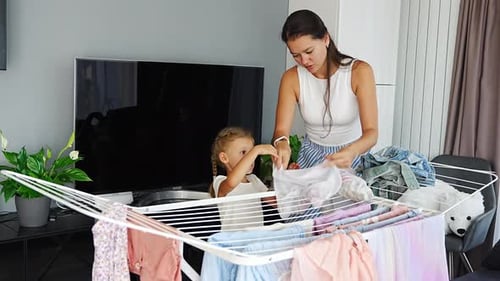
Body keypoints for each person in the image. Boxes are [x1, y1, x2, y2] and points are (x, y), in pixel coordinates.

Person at [273, 9, 378, 170]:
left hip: (352, 155)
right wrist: (282, 143)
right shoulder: (291, 78)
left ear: (325, 39)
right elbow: (281, 130)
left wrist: (351, 151)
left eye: (309, 52)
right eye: (296, 55)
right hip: (311, 156)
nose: (304, 61)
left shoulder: (359, 72)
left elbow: (371, 134)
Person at [209, 126, 278, 231]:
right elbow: (232, 182)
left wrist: (290, 176)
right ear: (224, 158)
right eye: (244, 152)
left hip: (255, 240)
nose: (252, 158)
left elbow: (276, 203)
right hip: (233, 242)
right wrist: (256, 150)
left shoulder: (254, 180)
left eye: (251, 152)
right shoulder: (220, 181)